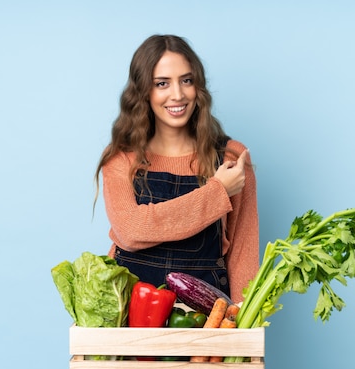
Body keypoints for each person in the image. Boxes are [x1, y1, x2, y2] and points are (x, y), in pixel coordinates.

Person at [93, 34, 259, 304]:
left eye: (186, 80)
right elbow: (132, 231)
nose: (178, 94)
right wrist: (217, 192)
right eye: (162, 83)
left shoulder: (231, 157)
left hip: (207, 317)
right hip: (129, 314)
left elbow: (243, 253)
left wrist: (242, 332)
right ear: (143, 92)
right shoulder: (120, 158)